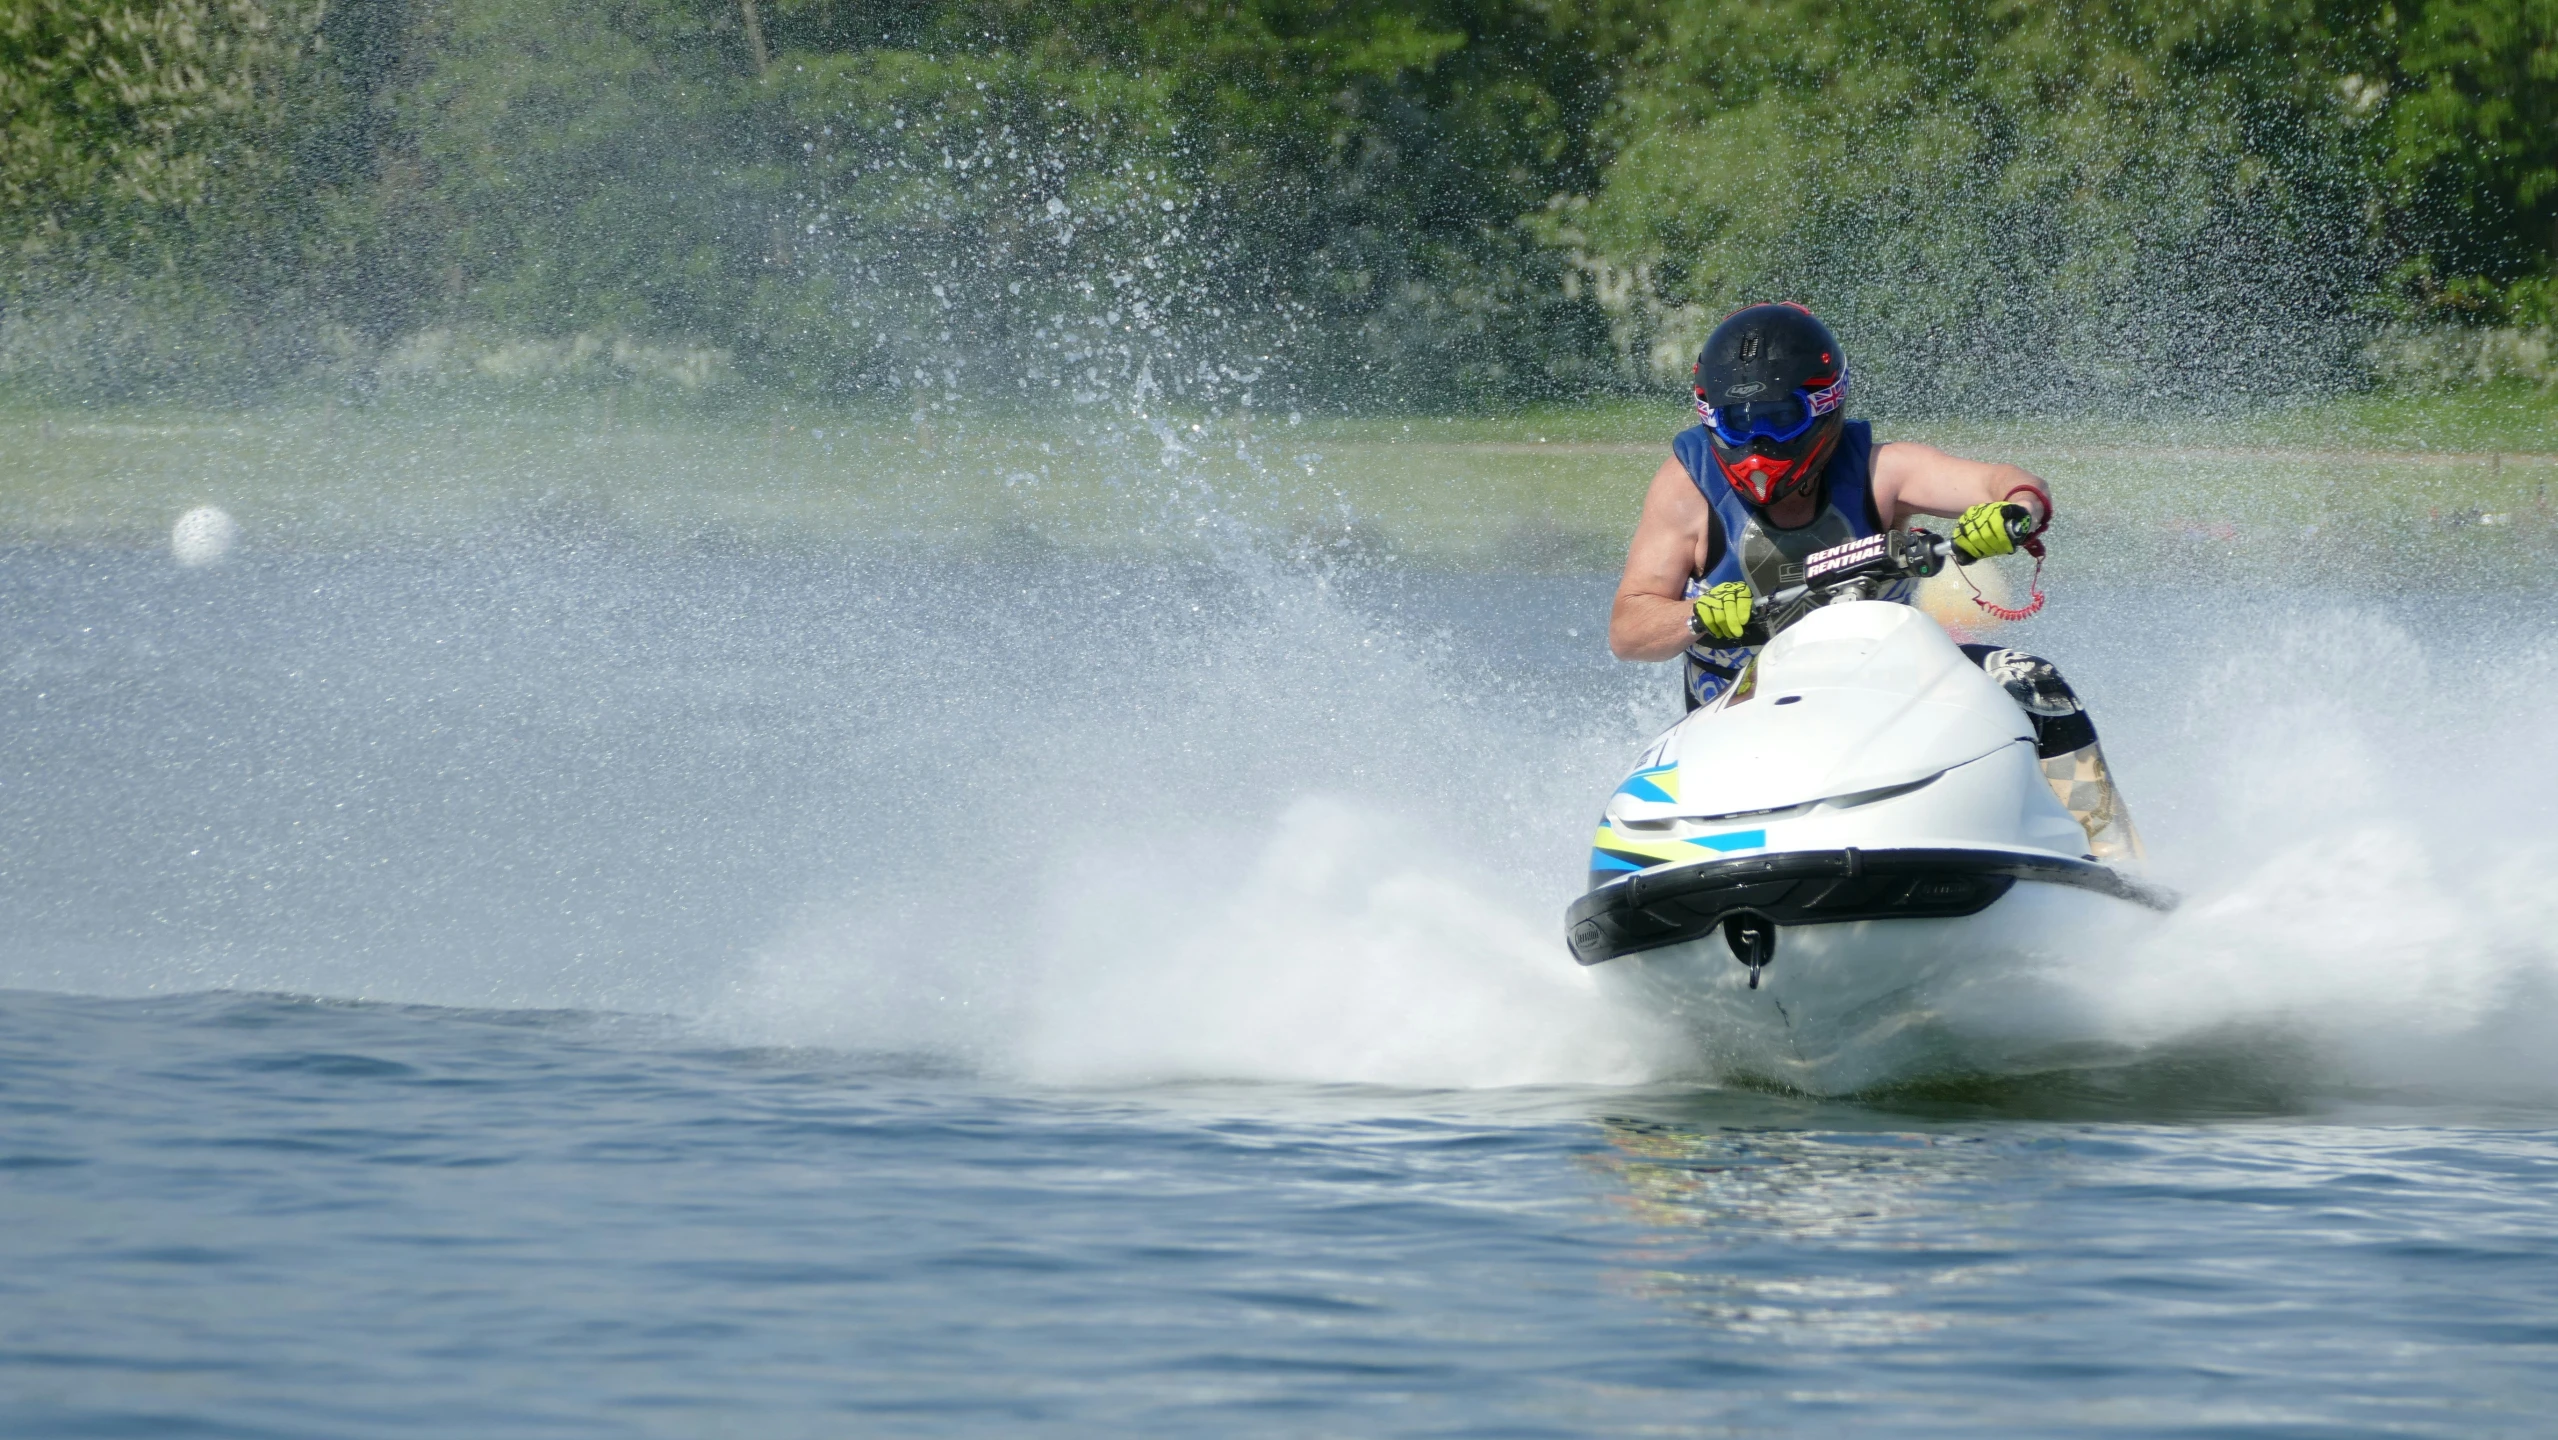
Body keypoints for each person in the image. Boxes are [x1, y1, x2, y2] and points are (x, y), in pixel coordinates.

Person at [1607, 302, 2141, 862]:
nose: (1758, 442)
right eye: (1738, 421)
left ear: (1824, 407)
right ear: (1708, 415)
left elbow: (2005, 481)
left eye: (1778, 418)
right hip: (1738, 701)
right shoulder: (1686, 488)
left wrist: (2015, 511)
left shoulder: (1882, 471)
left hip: (1885, 686)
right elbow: (1628, 629)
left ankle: (2116, 860)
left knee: (2036, 681)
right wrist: (1695, 616)